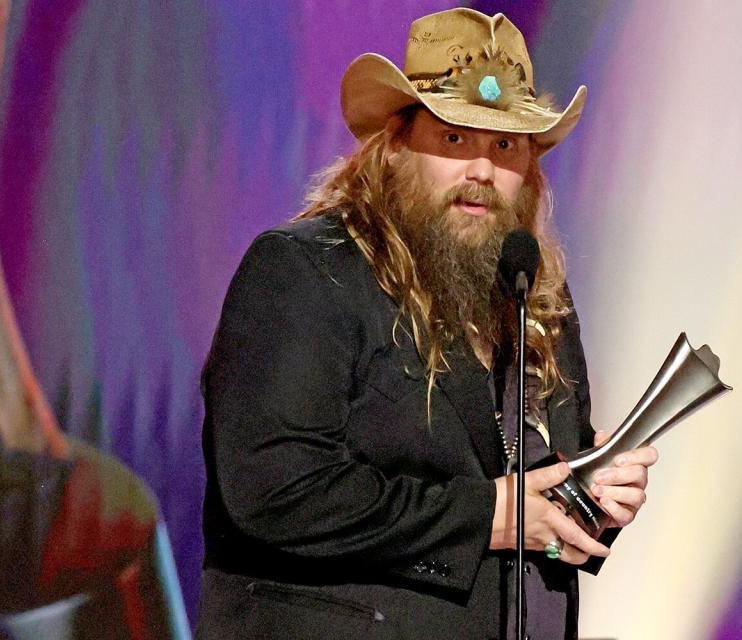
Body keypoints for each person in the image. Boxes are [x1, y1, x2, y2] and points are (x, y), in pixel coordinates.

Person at [196, 8, 658, 640]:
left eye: (504, 146)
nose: (481, 170)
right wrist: (488, 516)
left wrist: (588, 507)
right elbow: (276, 490)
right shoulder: (306, 271)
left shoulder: (535, 298)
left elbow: (538, 521)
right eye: (453, 139)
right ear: (395, 147)